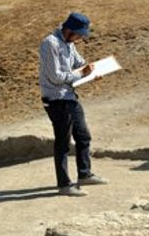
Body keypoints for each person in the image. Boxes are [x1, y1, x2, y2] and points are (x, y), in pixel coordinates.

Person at [38, 13, 109, 197]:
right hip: (56, 100)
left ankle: (84, 174)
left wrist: (92, 71)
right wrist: (81, 74)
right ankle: (64, 185)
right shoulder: (50, 44)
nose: (80, 38)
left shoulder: (69, 43)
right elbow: (56, 77)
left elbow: (79, 63)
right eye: (78, 34)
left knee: (83, 136)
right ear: (68, 30)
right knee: (63, 143)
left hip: (70, 97)